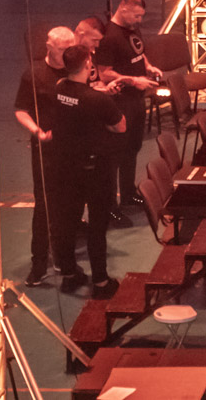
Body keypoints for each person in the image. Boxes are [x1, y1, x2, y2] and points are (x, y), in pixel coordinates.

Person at [46, 44, 125, 297]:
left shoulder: (59, 89)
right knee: (97, 226)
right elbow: (120, 126)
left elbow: (77, 97)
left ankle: (69, 274)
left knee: (67, 223)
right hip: (95, 171)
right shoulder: (98, 100)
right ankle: (101, 281)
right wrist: (104, 98)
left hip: (65, 167)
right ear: (88, 65)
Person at [13, 26, 77, 286]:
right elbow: (21, 110)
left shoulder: (77, 69)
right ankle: (39, 263)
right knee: (44, 207)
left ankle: (65, 258)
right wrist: (36, 131)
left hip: (75, 148)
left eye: (71, 49)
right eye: (63, 50)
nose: (68, 55)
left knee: (70, 207)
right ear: (49, 47)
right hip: (47, 150)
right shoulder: (34, 75)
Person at [94, 0, 162, 222]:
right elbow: (104, 73)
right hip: (120, 101)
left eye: (141, 16)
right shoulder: (109, 37)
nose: (139, 21)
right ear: (123, 8)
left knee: (132, 148)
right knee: (115, 154)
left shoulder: (132, 29)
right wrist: (133, 81)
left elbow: (139, 54)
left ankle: (128, 193)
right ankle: (110, 205)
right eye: (136, 16)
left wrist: (149, 67)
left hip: (136, 101)